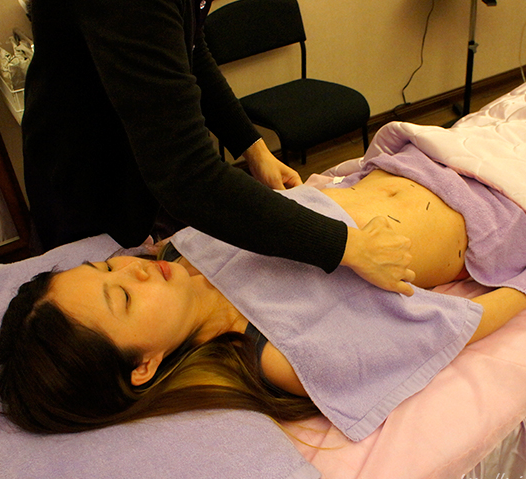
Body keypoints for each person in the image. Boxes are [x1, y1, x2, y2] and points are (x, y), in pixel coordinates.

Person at [0, 163, 526, 435]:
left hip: (420, 161)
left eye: (107, 265)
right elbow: (431, 333)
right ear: (142, 366)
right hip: (494, 216)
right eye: (121, 297)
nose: (133, 270)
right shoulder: (278, 352)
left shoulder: (185, 247)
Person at [22, 0, 414, 296]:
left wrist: (254, 148)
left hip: (149, 165)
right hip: (88, 179)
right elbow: (188, 177)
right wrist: (348, 246)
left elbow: (191, 50)